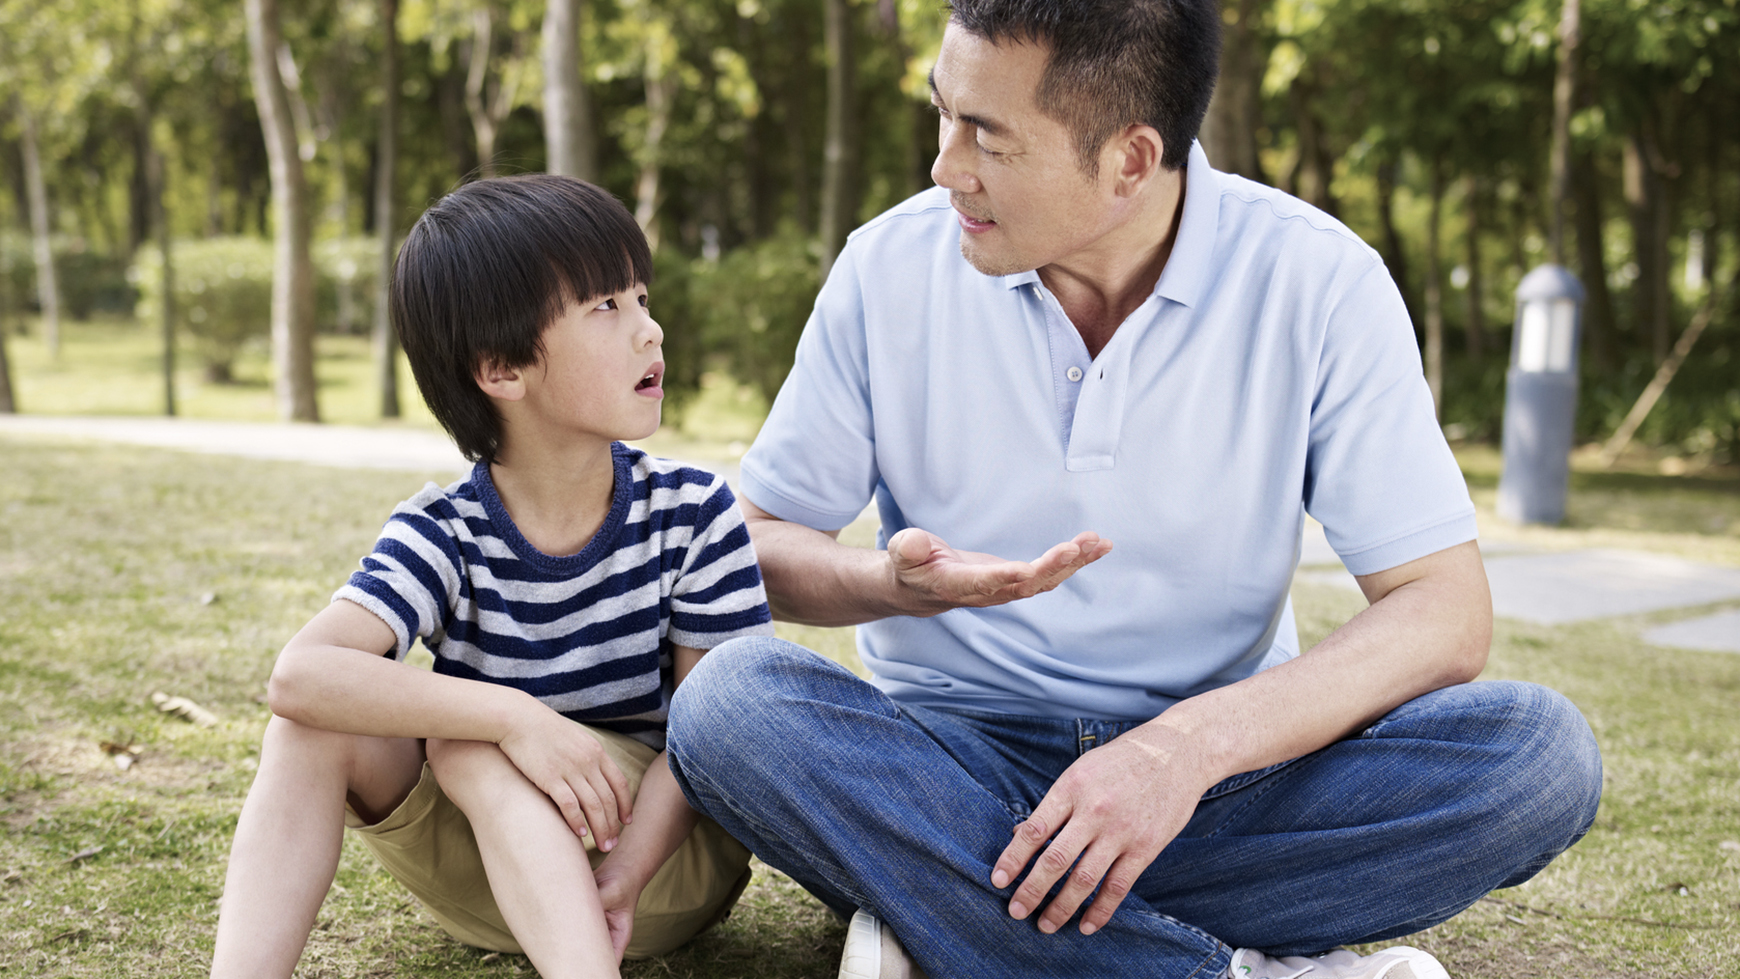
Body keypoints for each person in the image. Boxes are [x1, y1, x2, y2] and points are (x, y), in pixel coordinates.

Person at [663, 2, 1602, 978]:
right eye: (943, 113)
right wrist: (890, 586)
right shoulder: (887, 267)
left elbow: (1442, 613)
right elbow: (759, 546)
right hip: (946, 761)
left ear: (1129, 159)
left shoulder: (1318, 282)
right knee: (731, 706)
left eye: (986, 135)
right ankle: (1200, 960)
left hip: (1220, 784)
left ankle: (942, 907)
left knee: (1539, 757)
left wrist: (1179, 753)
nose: (945, 166)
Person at [209, 174, 773, 979]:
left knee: (467, 743)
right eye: (606, 308)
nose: (649, 330)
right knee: (344, 726)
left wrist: (619, 874)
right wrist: (513, 717)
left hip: (656, 871)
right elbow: (301, 676)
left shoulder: (692, 512)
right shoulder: (444, 530)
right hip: (491, 882)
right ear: (502, 368)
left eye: (640, 296)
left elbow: (718, 733)